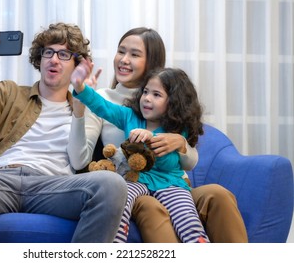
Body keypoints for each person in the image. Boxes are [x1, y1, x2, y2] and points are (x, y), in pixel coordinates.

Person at [0, 22, 128, 243]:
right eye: (48, 52)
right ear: (40, 58)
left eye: (64, 54)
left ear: (77, 65)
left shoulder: (86, 107)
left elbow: (81, 160)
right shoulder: (10, 92)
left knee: (112, 185)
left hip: (53, 188)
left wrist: (80, 105)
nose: (54, 59)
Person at [68, 27, 248, 242]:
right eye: (121, 51)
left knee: (218, 195)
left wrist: (180, 142)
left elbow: (189, 162)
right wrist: (79, 89)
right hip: (135, 184)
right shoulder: (118, 107)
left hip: (173, 185)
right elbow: (95, 119)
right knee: (150, 206)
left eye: (134, 54)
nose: (124, 60)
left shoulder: (171, 108)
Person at [71, 65, 210, 243]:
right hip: (135, 179)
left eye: (156, 95)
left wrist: (151, 137)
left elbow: (167, 163)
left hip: (169, 182)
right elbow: (102, 106)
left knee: (188, 222)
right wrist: (80, 88)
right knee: (118, 202)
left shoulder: (177, 129)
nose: (147, 98)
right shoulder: (129, 116)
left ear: (174, 103)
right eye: (145, 92)